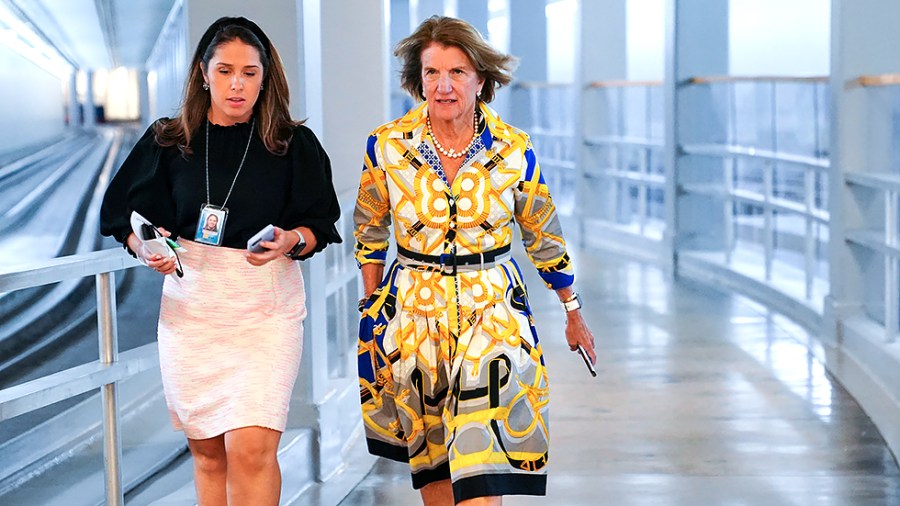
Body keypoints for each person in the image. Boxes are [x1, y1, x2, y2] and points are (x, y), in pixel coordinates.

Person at [354, 15, 596, 506]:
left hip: (494, 315)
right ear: (417, 79)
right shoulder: (385, 146)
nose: (443, 86)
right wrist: (371, 306)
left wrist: (572, 310)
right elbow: (369, 231)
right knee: (436, 469)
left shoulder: (514, 149)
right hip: (413, 318)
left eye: (457, 72)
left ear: (481, 79)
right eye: (431, 73)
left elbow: (542, 233)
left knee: (483, 469)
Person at [99, 16, 341, 505]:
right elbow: (120, 214)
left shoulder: (293, 144)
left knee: (251, 450)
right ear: (203, 73)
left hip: (265, 313)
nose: (238, 84)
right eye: (226, 70)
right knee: (209, 454)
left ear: (265, 76)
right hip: (192, 314)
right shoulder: (169, 140)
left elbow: (320, 225)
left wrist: (291, 239)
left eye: (250, 72)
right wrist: (143, 244)